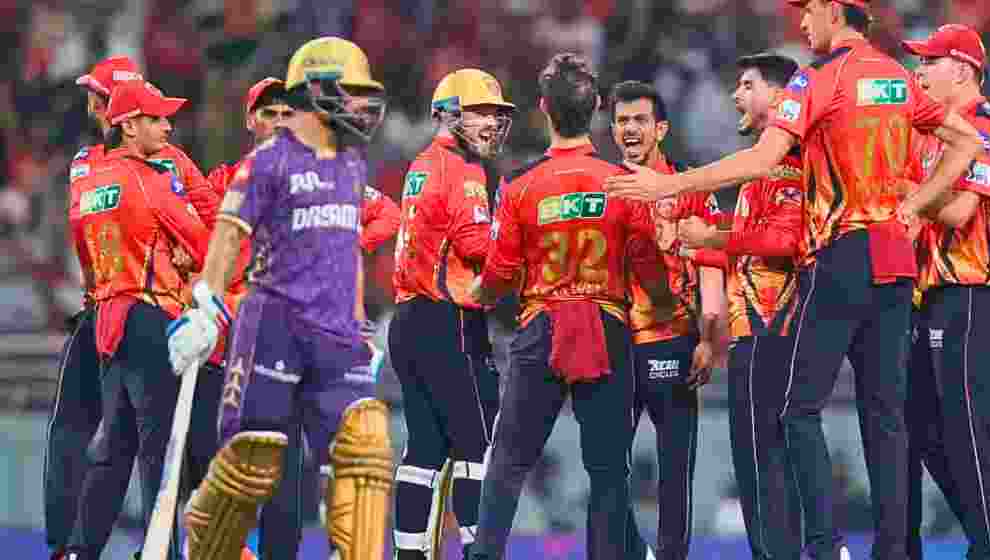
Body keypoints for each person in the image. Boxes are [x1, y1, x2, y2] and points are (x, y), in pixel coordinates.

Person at [604, 1, 985, 558]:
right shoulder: (898, 79)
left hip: (839, 254)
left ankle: (825, 548)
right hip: (895, 258)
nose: (802, 24)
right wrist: (917, 207)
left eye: (808, 11)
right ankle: (893, 551)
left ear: (835, 11)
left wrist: (665, 188)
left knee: (798, 410)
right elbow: (967, 144)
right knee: (885, 417)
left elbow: (762, 160)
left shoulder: (820, 77)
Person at [166, 37, 394, 560]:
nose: (363, 106)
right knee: (253, 460)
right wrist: (207, 305)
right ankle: (207, 536)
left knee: (367, 450)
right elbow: (227, 232)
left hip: (334, 335)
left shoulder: (353, 165)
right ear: (316, 91)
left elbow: (346, 255)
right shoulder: (269, 162)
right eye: (351, 92)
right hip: (274, 327)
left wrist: (360, 325)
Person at [468, 52, 668, 560]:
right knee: (607, 471)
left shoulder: (519, 184)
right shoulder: (623, 181)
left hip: (541, 326)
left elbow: (499, 275)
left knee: (510, 461)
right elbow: (649, 267)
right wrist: (665, 311)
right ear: (598, 107)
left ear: (542, 109)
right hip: (607, 325)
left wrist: (475, 296)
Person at [45, 55, 220, 560]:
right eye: (158, 118)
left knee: (111, 446)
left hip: (107, 315)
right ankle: (160, 551)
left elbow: (84, 240)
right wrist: (189, 257)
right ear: (129, 123)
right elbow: (209, 243)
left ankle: (77, 550)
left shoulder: (91, 175)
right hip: (151, 315)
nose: (168, 125)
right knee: (160, 449)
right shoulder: (151, 177)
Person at [901, 24, 990, 560]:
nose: (919, 72)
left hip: (969, 291)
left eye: (929, 62)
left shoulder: (983, 128)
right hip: (940, 294)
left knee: (964, 427)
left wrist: (906, 197)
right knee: (928, 431)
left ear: (961, 70)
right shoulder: (957, 134)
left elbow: (962, 210)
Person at [677, 52, 807, 560]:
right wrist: (698, 246)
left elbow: (784, 241)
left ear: (778, 97)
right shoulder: (763, 164)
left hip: (774, 327)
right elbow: (751, 244)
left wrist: (713, 237)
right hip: (755, 328)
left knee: (765, 459)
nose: (736, 94)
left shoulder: (787, 163)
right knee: (754, 459)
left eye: (746, 84)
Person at [388, 68, 512, 560]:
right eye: (481, 112)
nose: (491, 124)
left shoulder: (421, 163)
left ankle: (410, 555)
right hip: (450, 323)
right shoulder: (465, 171)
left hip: (408, 320)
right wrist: (519, 236)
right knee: (477, 449)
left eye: (496, 115)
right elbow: (477, 245)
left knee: (423, 451)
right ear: (448, 113)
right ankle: (480, 553)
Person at [607, 79, 725, 560]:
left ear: (661, 128)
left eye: (639, 120)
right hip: (615, 346)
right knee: (608, 468)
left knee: (677, 468)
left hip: (675, 343)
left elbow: (713, 264)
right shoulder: (603, 188)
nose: (629, 129)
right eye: (620, 121)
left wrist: (709, 336)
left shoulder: (692, 188)